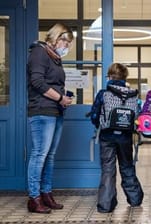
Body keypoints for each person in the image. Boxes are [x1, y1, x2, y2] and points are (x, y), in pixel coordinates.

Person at [26, 23, 74, 213]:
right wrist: (60, 97)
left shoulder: (54, 58)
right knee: (39, 154)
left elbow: (52, 82)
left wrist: (63, 98)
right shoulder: (39, 52)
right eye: (66, 42)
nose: (67, 47)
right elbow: (37, 82)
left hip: (55, 110)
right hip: (42, 110)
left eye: (69, 43)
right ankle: (34, 197)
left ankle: (46, 194)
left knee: (49, 156)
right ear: (56, 38)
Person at [90, 63, 143, 213]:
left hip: (107, 135)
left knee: (108, 169)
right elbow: (137, 116)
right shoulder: (133, 94)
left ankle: (106, 205)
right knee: (127, 166)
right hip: (125, 137)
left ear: (109, 76)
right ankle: (135, 199)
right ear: (125, 77)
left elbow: (94, 115)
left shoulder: (103, 93)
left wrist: (98, 124)